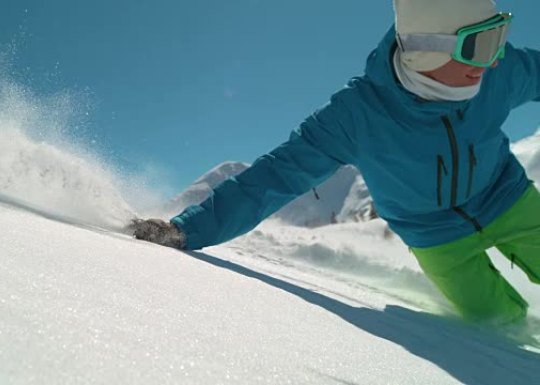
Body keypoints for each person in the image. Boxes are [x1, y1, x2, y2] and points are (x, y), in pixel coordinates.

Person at [130, 0, 540, 325]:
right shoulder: (359, 115)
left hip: (507, 197)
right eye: (482, 44)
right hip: (435, 236)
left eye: (499, 34)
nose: (497, 57)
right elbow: (277, 175)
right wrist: (186, 231)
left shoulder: (499, 76)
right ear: (426, 52)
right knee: (498, 322)